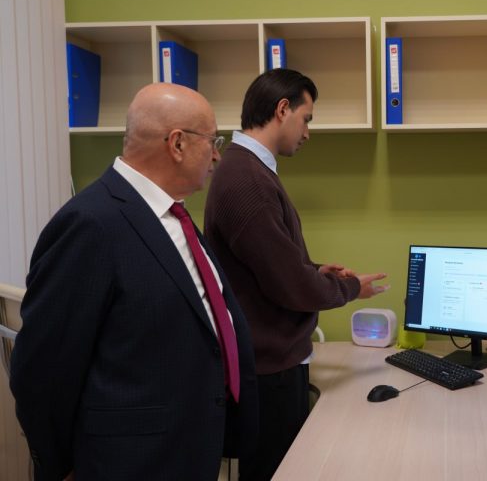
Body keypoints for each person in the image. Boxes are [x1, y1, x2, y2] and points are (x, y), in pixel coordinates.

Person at [10, 83, 259, 481]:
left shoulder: (173, 215)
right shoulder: (90, 224)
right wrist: (61, 467)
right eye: (213, 141)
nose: (217, 154)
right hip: (127, 464)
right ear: (177, 144)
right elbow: (42, 369)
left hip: (187, 450)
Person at [204, 68, 389, 479]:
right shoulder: (247, 180)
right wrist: (347, 287)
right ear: (282, 109)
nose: (307, 133)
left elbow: (267, 263)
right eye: (307, 119)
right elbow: (291, 285)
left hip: (272, 363)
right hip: (268, 371)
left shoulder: (248, 170)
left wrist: (314, 268)